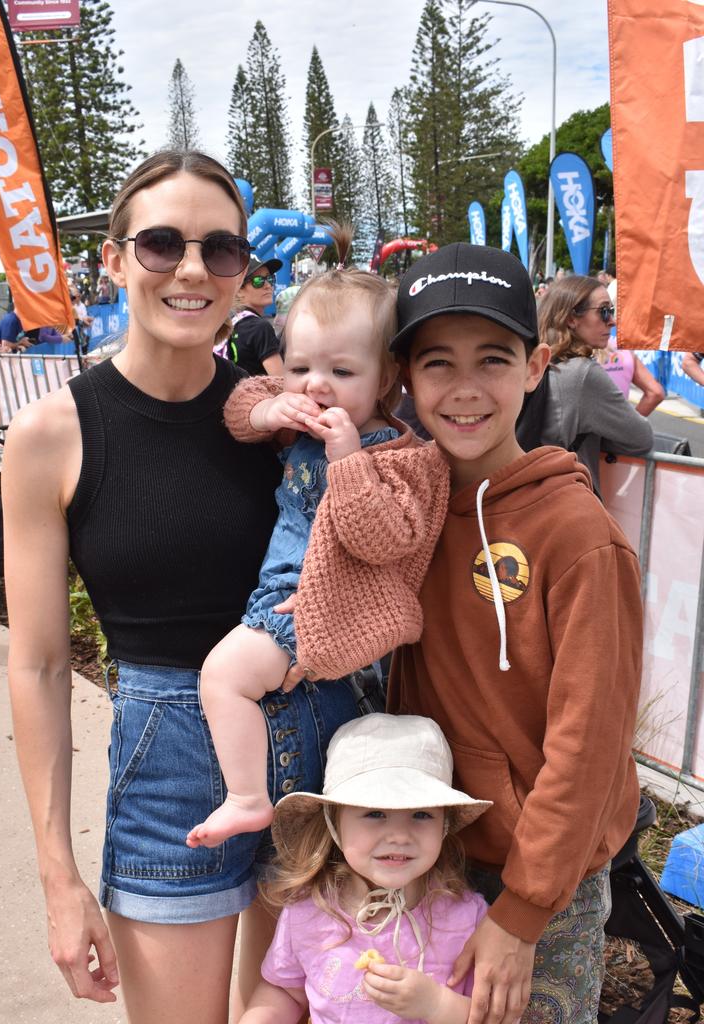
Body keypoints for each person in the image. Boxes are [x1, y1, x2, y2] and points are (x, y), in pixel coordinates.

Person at [2, 149, 361, 1024]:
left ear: (246, 271)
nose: (193, 270)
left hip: (316, 742)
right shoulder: (52, 433)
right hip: (168, 766)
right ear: (114, 259)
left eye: (221, 250)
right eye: (162, 244)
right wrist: (59, 876)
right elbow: (42, 665)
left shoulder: (281, 417)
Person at [360, 243, 642, 1024]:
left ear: (536, 364)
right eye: (437, 363)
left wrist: (523, 912)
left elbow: (589, 744)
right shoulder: (400, 510)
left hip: (540, 879)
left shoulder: (577, 536)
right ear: (406, 377)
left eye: (492, 358)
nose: (464, 389)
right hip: (424, 853)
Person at [186, 233, 405, 850]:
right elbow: (240, 404)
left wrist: (346, 459)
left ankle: (247, 798)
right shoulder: (298, 421)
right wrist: (269, 413)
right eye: (301, 367)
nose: (315, 386)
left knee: (223, 677)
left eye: (341, 371)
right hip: (284, 602)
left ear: (386, 377)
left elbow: (382, 539)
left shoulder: (394, 452)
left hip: (312, 607)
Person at [240, 714, 492, 1024]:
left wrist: (437, 1005)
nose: (399, 835)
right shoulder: (308, 910)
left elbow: (495, 1016)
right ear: (334, 822)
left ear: (445, 823)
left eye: (421, 814)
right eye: (374, 813)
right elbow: (284, 991)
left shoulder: (466, 917)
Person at [536, 274, 654, 495]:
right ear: (572, 318)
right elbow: (641, 438)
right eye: (604, 311)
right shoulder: (582, 374)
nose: (612, 320)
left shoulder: (537, 364)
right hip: (568, 503)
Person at [223, 255, 284, 375]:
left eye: (270, 279)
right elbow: (281, 382)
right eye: (258, 281)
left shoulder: (228, 322)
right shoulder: (260, 328)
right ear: (239, 290)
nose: (268, 285)